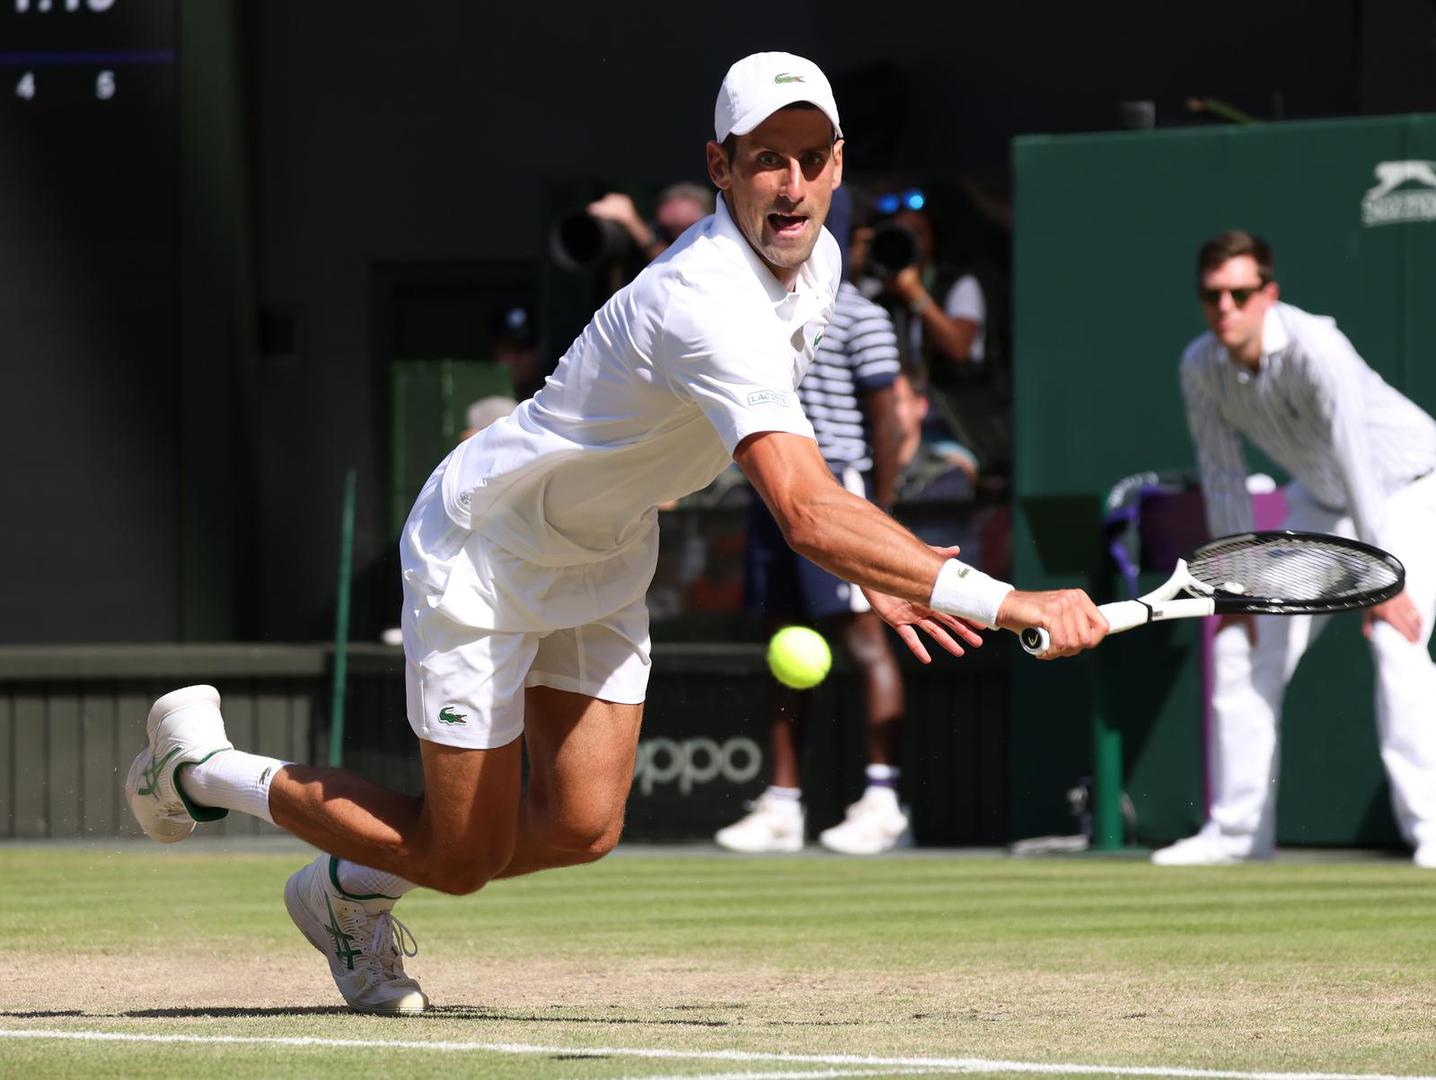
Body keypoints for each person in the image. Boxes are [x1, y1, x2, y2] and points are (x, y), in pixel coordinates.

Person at [124, 51, 1107, 1017]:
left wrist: (876, 559)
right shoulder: (703, 301)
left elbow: (799, 476)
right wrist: (1007, 601)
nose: (792, 184)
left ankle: (344, 888)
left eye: (812, 158)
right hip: (487, 549)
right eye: (766, 158)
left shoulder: (820, 265)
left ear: (839, 164)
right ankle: (200, 769)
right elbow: (805, 510)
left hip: (604, 550)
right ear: (720, 166)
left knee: (583, 827)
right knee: (459, 858)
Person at [1153, 229, 1436, 868]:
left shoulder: (1318, 348)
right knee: (1237, 643)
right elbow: (1223, 479)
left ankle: (1433, 828)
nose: (1225, 308)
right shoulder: (1200, 366)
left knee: (1397, 640)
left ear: (1268, 294)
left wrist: (1386, 584)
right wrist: (1234, 589)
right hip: (1322, 503)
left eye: (1239, 294)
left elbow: (1356, 458)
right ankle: (1238, 835)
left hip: (1411, 491)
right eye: (1212, 296)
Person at [715, 198, 911, 856]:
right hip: (771, 492)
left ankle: (883, 800)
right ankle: (782, 804)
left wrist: (877, 510)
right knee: (783, 646)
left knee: (865, 641)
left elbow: (887, 421)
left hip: (837, 489)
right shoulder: (753, 309)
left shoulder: (863, 315)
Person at [586, 182, 715, 265]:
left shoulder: (714, 246)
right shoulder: (652, 234)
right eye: (666, 230)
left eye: (683, 230)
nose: (678, 241)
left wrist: (633, 224)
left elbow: (675, 266)